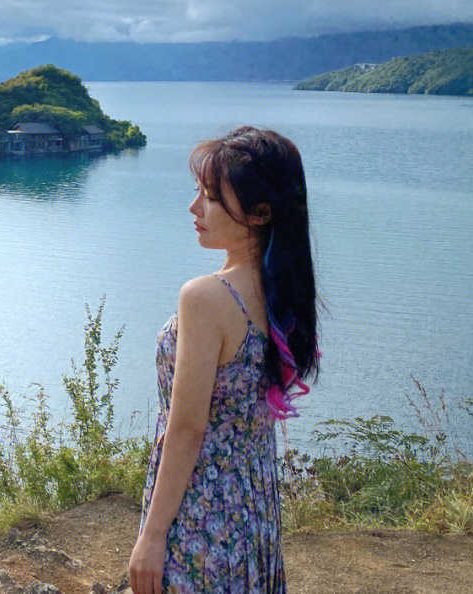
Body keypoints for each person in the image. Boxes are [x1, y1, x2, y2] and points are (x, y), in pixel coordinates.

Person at [128, 126, 320, 594]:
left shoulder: (206, 298)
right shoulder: (280, 293)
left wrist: (151, 538)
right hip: (254, 511)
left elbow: (188, 426)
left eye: (211, 197)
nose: (194, 208)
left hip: (202, 514)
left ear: (259, 213)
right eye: (198, 192)